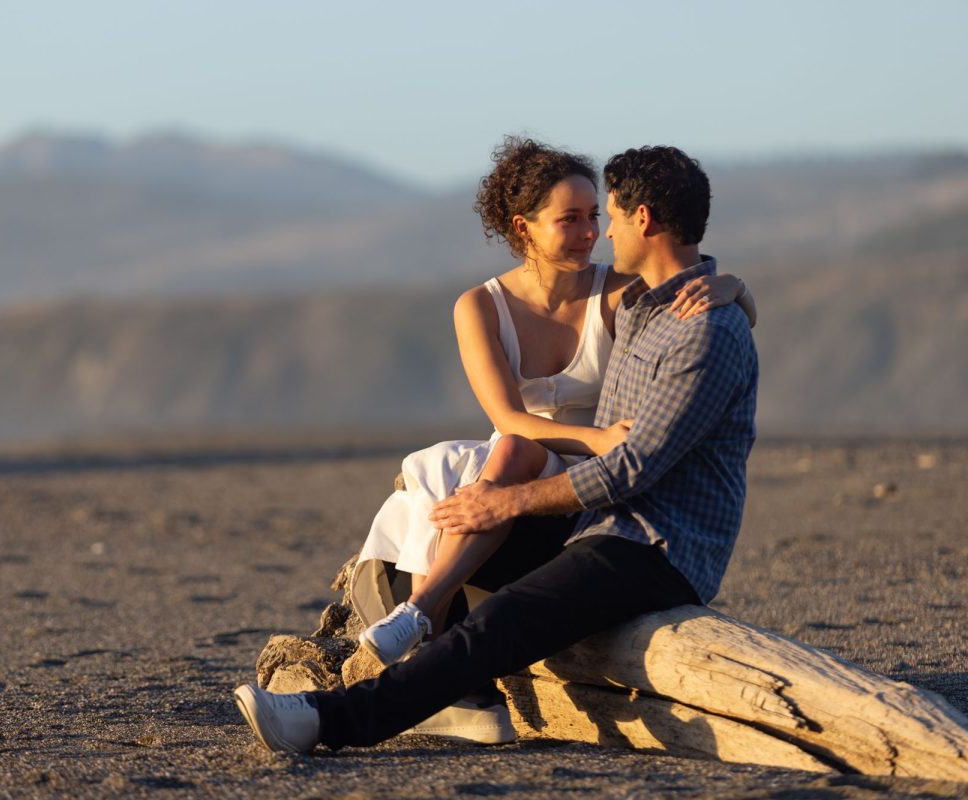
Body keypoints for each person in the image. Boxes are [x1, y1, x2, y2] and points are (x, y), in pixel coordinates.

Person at [233, 144, 759, 754]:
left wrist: (505, 506)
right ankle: (451, 677)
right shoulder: (648, 308)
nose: (601, 231)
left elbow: (631, 469)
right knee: (434, 525)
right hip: (596, 518)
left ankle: (326, 721)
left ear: (641, 219)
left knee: (506, 618)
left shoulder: (701, 330)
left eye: (607, 214)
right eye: (580, 217)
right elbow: (680, 285)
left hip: (655, 544)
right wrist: (733, 285)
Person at [352, 137, 756, 669]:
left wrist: (732, 286)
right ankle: (426, 624)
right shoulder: (479, 306)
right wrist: (600, 439)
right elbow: (507, 418)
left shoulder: (620, 291)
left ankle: (423, 620)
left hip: (596, 478)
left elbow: (693, 290)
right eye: (570, 219)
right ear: (524, 227)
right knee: (484, 458)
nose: (592, 232)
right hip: (534, 456)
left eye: (595, 215)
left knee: (500, 466)